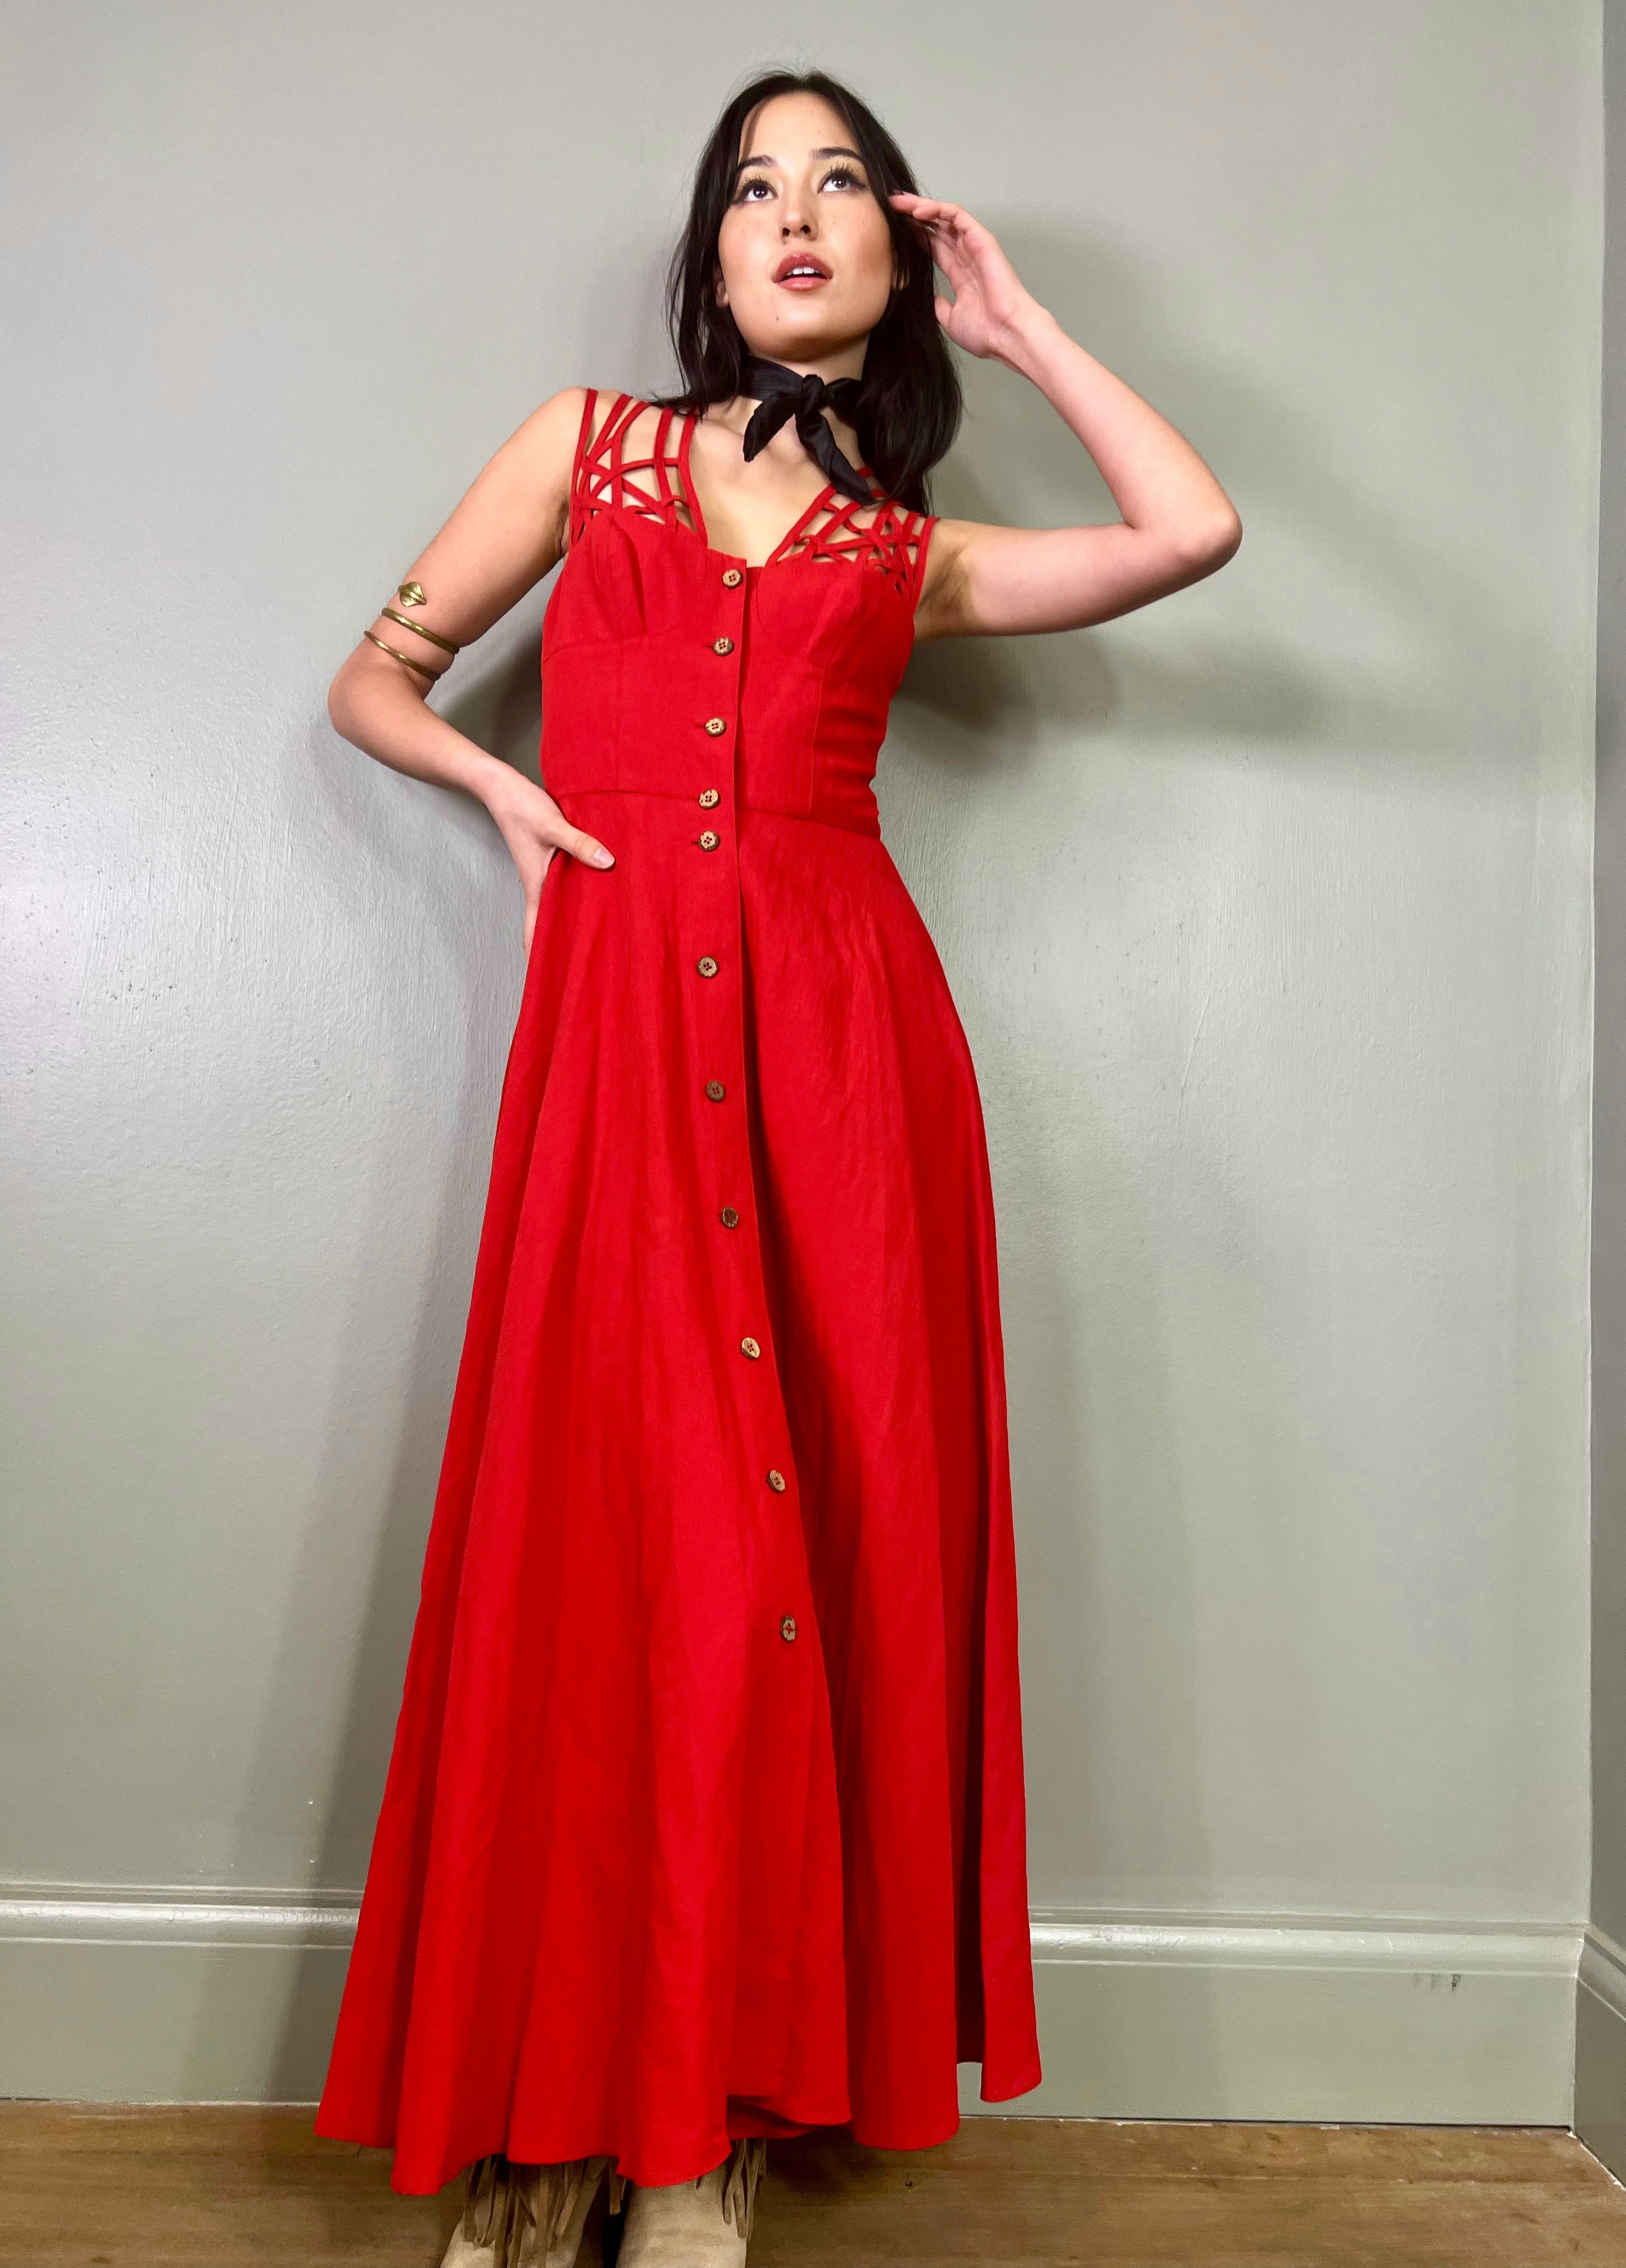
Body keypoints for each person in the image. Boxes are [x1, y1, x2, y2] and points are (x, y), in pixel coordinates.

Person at [312, 65, 1240, 2268]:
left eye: (840, 185)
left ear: (894, 255)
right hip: (620, 1052)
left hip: (843, 1068)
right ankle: (562, 2112)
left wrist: (1023, 331)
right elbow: (374, 678)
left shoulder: (914, 555)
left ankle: (704, 2129)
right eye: (754, 186)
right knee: (601, 1565)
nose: (794, 212)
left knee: (802, 1569)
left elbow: (1189, 530)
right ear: (712, 253)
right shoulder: (584, 449)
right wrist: (499, 788)